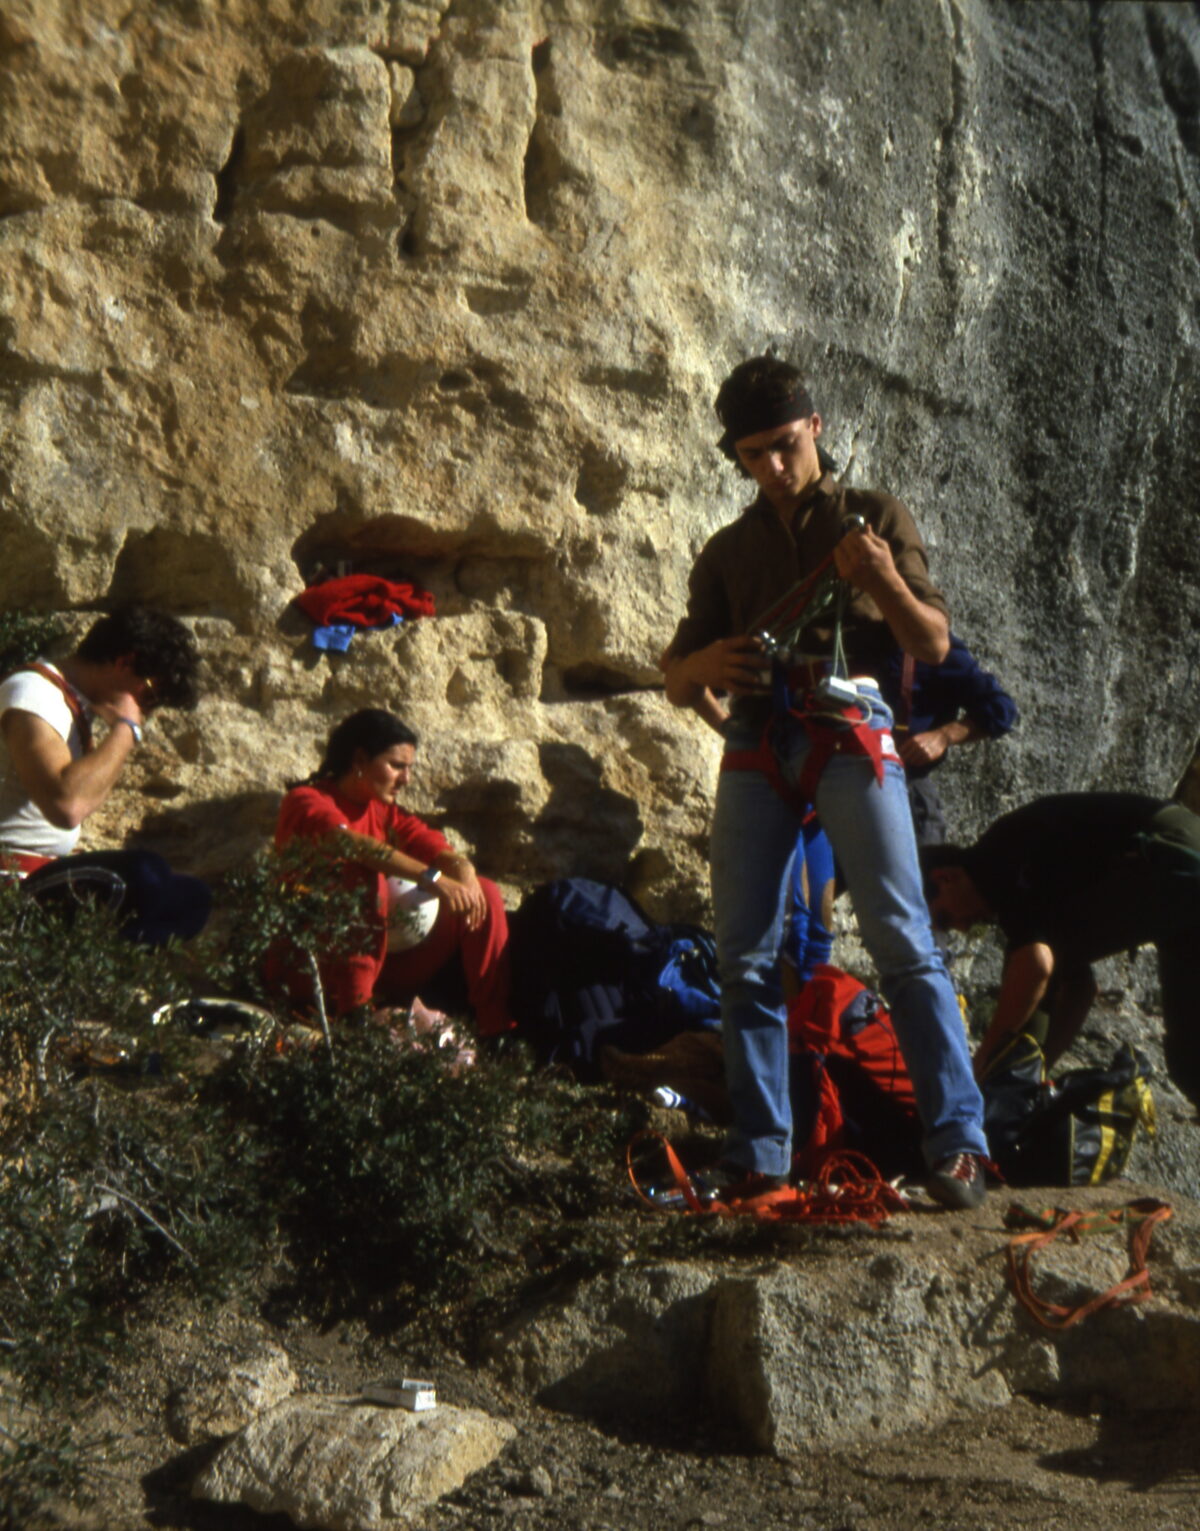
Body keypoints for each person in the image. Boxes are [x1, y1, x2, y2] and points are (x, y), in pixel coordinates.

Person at [661, 354, 989, 1208]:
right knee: (744, 954)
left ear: (814, 427)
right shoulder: (729, 551)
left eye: (782, 445)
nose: (772, 467)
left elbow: (933, 645)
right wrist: (705, 660)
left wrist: (879, 574)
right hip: (758, 741)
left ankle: (959, 1141)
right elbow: (675, 674)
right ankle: (761, 1148)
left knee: (900, 937)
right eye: (751, 455)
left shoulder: (873, 514)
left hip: (850, 735)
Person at [923, 793, 1200, 1106]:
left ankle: (1002, 1092)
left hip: (1171, 852)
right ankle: (1020, 1093)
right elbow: (1080, 988)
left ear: (944, 877)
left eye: (945, 918)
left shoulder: (996, 860)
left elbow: (1038, 967)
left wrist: (983, 1060)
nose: (960, 927)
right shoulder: (1024, 898)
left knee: (1026, 970)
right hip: (1179, 886)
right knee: (1190, 1063)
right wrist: (1039, 1080)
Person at [273, 708, 515, 1036]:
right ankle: (353, 1021)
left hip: (380, 966)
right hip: (312, 968)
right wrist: (432, 879)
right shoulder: (306, 801)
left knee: (485, 891)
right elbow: (351, 845)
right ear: (359, 760)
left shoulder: (384, 812)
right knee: (363, 875)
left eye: (408, 768)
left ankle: (495, 1029)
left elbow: (441, 852)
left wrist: (466, 878)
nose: (406, 779)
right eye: (396, 766)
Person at [0, 606, 210, 944]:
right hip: (14, 878)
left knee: (191, 897)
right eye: (149, 694)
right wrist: (127, 727)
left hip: (40, 871)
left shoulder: (71, 706)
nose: (147, 710)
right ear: (124, 662)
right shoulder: (33, 693)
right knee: (143, 873)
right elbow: (66, 805)